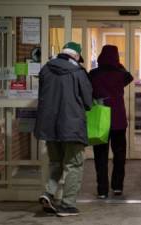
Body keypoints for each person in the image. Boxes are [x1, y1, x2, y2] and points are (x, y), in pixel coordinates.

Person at [34, 42, 92, 216]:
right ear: (75, 56)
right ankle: (67, 204)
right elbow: (88, 101)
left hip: (49, 126)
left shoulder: (45, 70)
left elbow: (41, 96)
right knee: (74, 164)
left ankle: (48, 193)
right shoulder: (78, 72)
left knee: (55, 162)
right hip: (72, 126)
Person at [89, 45, 133, 199]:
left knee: (100, 156)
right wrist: (118, 65)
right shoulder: (121, 74)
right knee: (119, 155)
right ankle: (117, 187)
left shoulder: (93, 74)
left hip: (100, 118)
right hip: (118, 120)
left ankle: (102, 190)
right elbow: (130, 76)